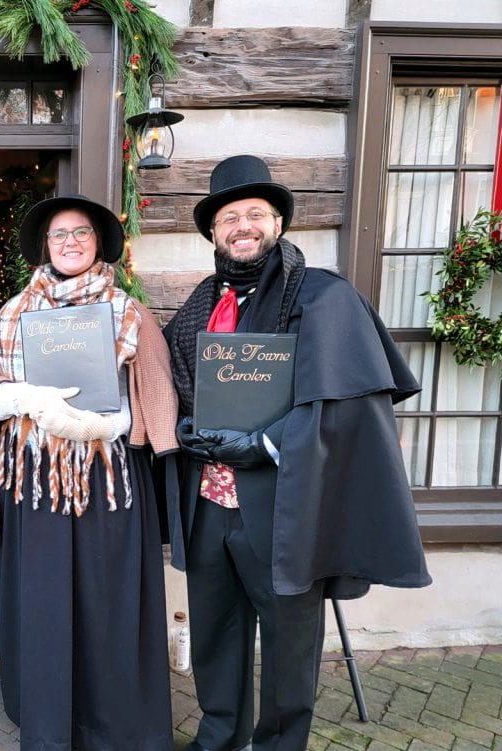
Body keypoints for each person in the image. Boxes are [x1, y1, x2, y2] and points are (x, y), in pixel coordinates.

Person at [164, 155, 432, 751]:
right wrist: (182, 427)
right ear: (213, 231)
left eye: (255, 214)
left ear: (279, 223)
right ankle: (219, 739)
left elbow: (343, 407)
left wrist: (262, 443)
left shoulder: (324, 298)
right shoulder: (200, 304)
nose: (242, 227)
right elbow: (172, 381)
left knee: (288, 647)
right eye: (229, 217)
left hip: (285, 510)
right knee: (215, 636)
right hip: (208, 506)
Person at [0, 194, 181, 751]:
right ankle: (49, 720)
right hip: (32, 486)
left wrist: (110, 423)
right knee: (44, 601)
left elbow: (156, 392)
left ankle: (112, 722)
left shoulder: (130, 313)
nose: (71, 241)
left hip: (107, 484)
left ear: (98, 243)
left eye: (81, 232)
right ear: (45, 246)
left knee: (108, 600)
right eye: (59, 234)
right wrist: (21, 395)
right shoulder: (13, 313)